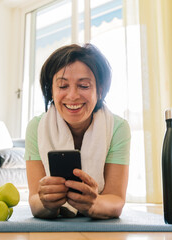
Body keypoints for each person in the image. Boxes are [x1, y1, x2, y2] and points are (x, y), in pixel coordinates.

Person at [25, 43, 131, 219]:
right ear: (51, 90)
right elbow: (34, 201)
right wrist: (45, 202)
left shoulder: (118, 128)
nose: (73, 96)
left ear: (100, 91)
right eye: (62, 86)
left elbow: (116, 200)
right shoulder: (36, 128)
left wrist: (95, 203)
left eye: (83, 86)